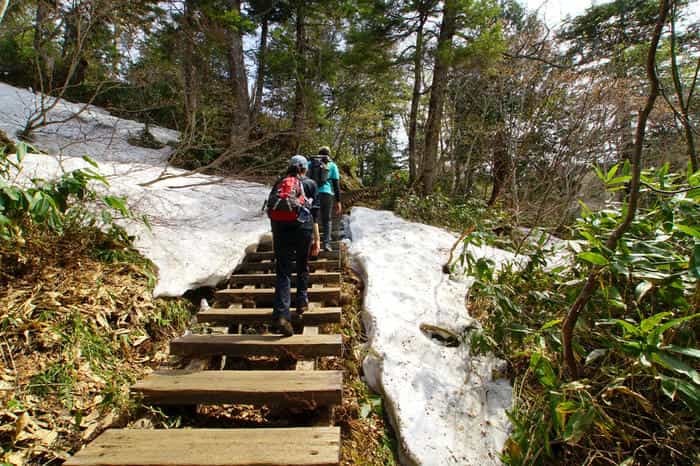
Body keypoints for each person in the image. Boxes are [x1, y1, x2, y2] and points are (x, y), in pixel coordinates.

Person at [268, 155, 321, 336]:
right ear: (304, 168)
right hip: (303, 228)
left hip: (281, 230)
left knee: (283, 271)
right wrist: (317, 239)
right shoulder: (311, 184)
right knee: (302, 264)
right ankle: (301, 301)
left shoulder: (279, 183)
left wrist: (276, 237)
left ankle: (282, 314)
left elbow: (272, 210)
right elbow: (315, 212)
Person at [313, 146, 341, 251]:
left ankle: (312, 242)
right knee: (327, 219)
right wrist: (338, 201)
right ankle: (326, 244)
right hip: (327, 193)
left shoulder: (311, 163)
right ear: (328, 154)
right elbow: (336, 185)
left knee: (313, 218)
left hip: (313, 193)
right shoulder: (332, 165)